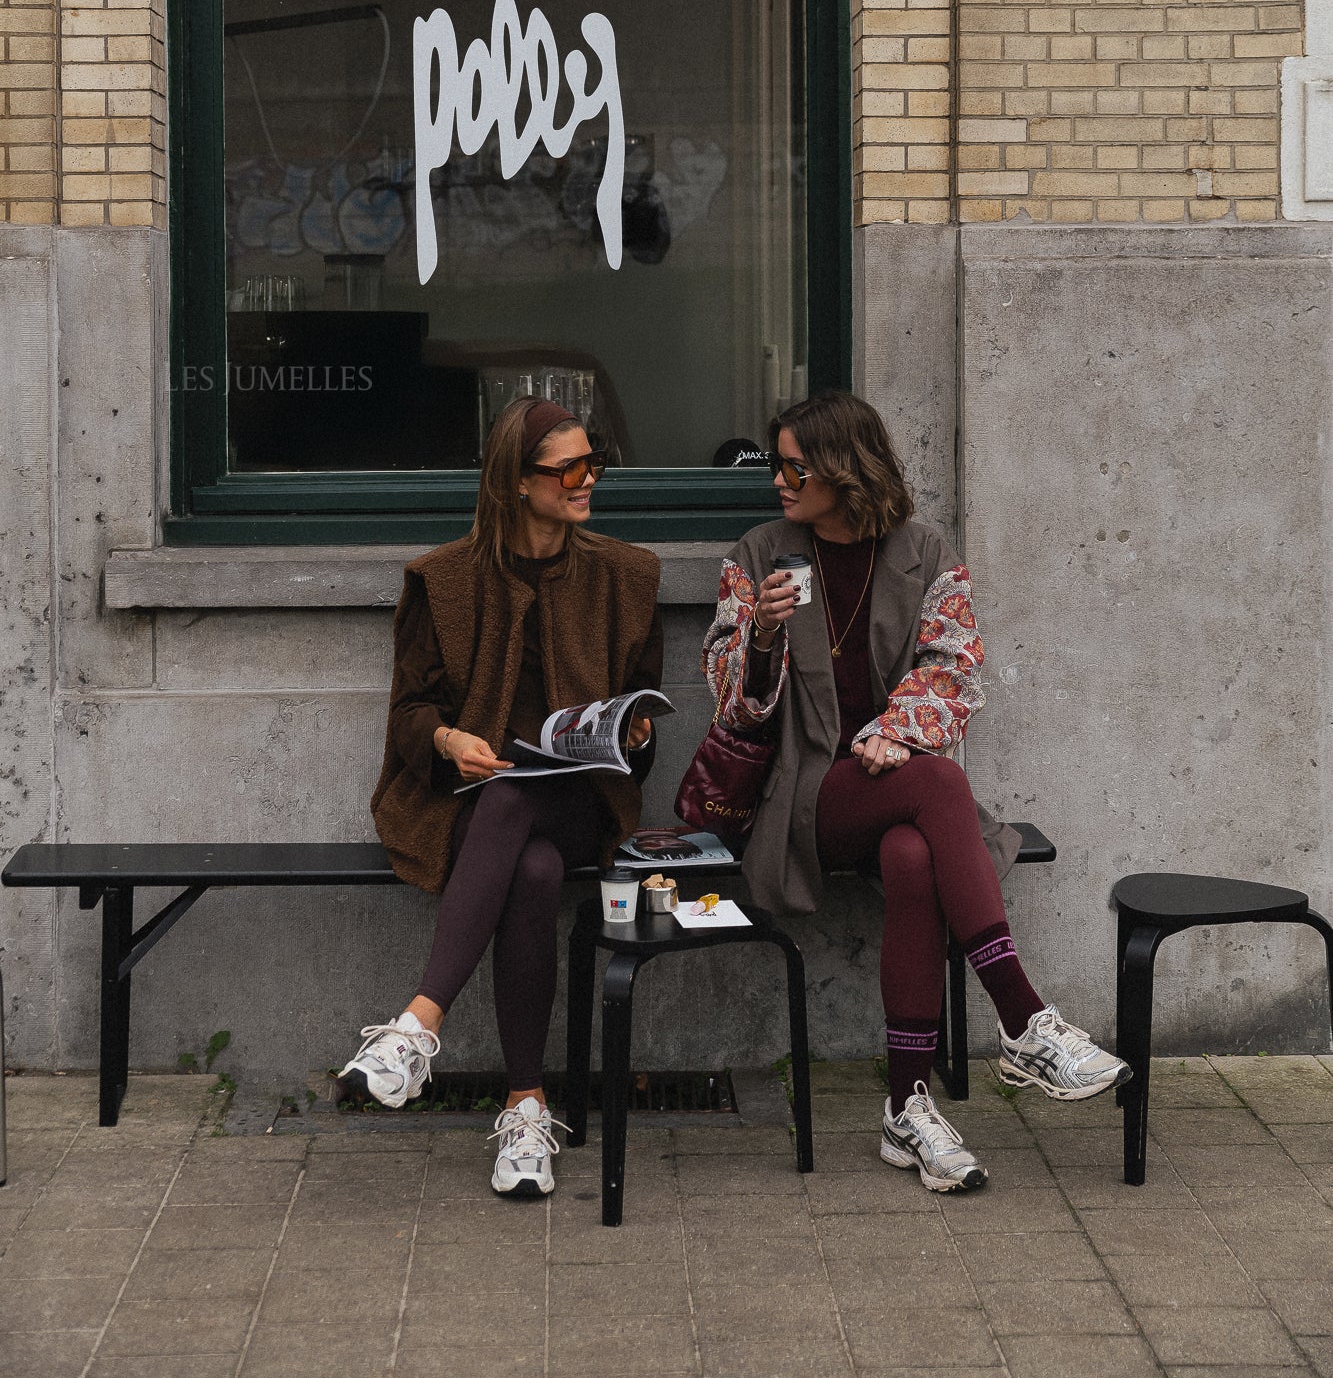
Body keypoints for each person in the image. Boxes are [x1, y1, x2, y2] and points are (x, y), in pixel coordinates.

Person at [701, 390, 1129, 1193]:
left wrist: (897, 727)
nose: (778, 482)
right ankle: (1021, 1017)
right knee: (939, 780)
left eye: (794, 466)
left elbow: (953, 665)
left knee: (910, 856)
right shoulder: (758, 555)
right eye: (777, 464)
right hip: (803, 797)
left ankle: (907, 1110)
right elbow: (734, 708)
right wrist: (759, 633)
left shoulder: (924, 552)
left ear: (842, 468)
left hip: (895, 785)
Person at [338, 397, 662, 1199]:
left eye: (595, 464)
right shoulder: (444, 579)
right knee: (533, 870)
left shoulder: (624, 574)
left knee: (520, 809)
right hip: (470, 803)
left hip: (584, 799)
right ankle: (525, 1112)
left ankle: (417, 1024)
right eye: (570, 469)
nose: (589, 481)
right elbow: (411, 714)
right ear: (517, 483)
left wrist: (632, 734)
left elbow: (639, 704)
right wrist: (450, 741)